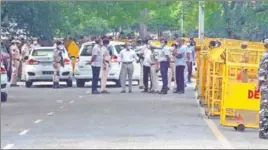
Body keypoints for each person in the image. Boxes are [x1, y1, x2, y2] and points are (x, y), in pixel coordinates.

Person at [257, 39, 268, 139]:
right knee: (265, 110)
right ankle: (263, 132)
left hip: (265, 87)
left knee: (265, 110)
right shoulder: (266, 56)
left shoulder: (265, 56)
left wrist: (258, 86)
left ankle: (264, 132)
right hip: (266, 88)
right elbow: (261, 73)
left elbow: (261, 73)